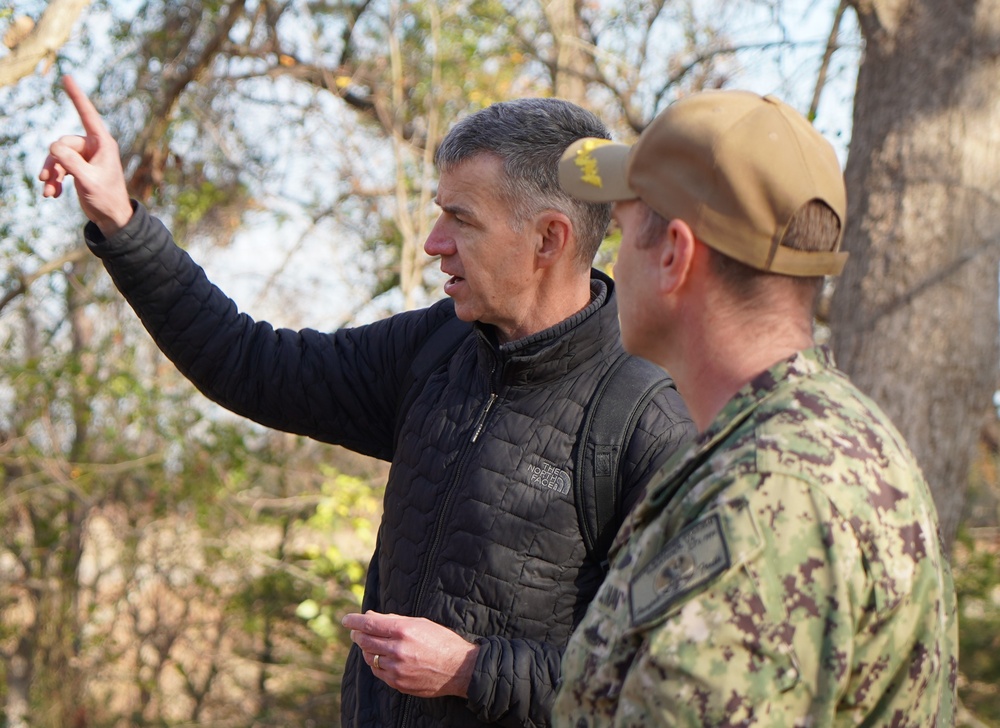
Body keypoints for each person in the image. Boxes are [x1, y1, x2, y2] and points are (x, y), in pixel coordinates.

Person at [40, 76, 694, 727]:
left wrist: (470, 669)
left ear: (549, 240)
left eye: (460, 219)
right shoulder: (436, 346)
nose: (434, 242)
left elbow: (656, 681)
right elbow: (250, 363)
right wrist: (120, 221)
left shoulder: (647, 419)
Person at [552, 90, 958, 726]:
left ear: (673, 255)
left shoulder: (771, 497)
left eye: (623, 233)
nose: (610, 262)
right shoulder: (828, 436)